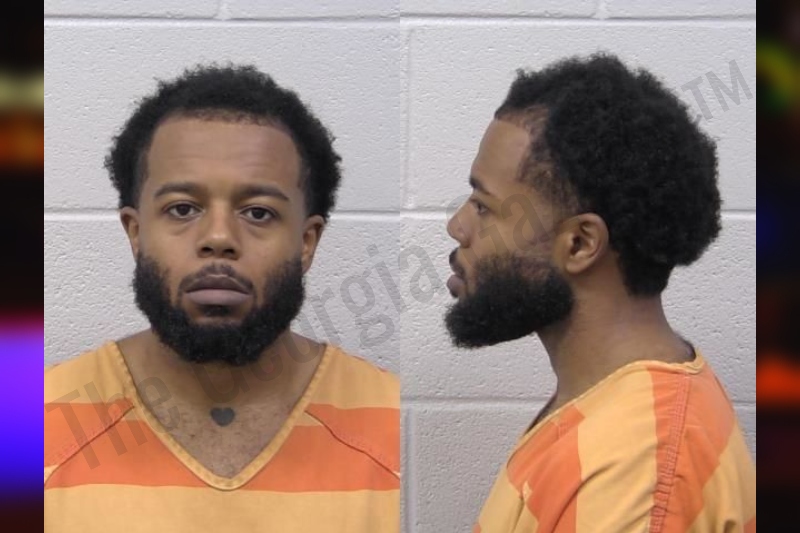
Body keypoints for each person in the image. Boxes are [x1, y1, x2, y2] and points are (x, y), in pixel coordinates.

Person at [44, 65, 399, 533]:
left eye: (258, 213)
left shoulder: (394, 424)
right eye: (182, 209)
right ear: (136, 232)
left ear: (306, 242)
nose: (218, 238)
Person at [444, 53, 755, 532]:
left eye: (484, 208)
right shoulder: (612, 412)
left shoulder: (637, 478)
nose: (457, 226)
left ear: (580, 244)